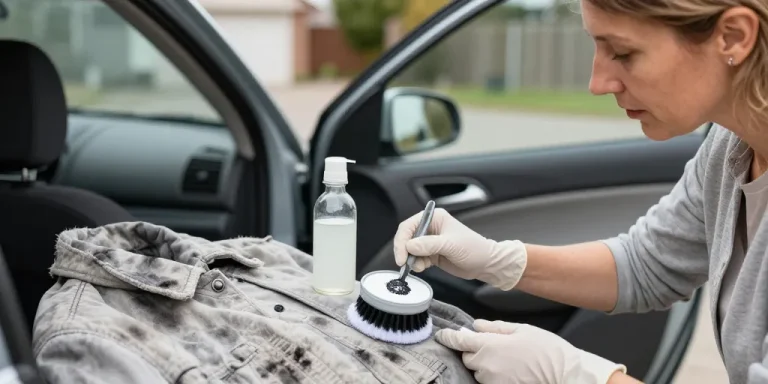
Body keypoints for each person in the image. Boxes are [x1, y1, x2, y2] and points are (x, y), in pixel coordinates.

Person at [393, 0, 768, 383]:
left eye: (623, 52)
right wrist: (496, 259)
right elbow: (646, 265)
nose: (598, 83)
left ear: (732, 36)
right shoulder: (730, 147)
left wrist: (575, 375)